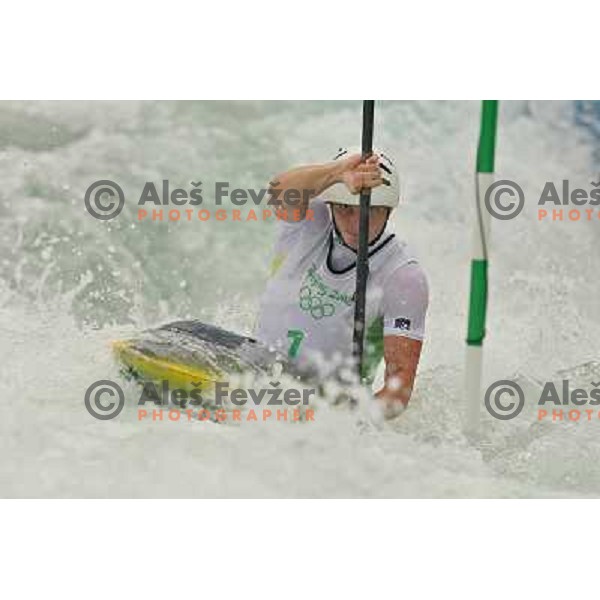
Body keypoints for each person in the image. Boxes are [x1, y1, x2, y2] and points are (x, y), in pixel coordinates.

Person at [255, 148, 428, 418]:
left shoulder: (403, 277)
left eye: (369, 212)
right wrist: (336, 173)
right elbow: (278, 189)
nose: (355, 223)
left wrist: (343, 424)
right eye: (345, 209)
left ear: (389, 212)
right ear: (332, 205)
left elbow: (399, 390)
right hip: (254, 373)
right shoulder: (309, 222)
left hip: (326, 404)